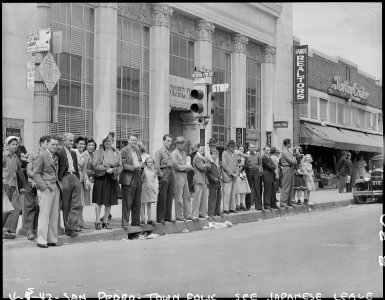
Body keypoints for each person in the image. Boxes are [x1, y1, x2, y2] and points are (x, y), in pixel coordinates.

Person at [32, 136, 63, 248]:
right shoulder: (41, 155)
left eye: (56, 145)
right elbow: (36, 173)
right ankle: (41, 240)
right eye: (52, 144)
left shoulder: (56, 156)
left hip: (55, 187)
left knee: (54, 215)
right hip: (46, 188)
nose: (55, 146)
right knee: (44, 215)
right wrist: (43, 187)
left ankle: (52, 239)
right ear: (47, 144)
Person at [23, 135, 51, 240]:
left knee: (43, 208)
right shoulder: (33, 154)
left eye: (50, 143)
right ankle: (29, 231)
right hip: (32, 184)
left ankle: (41, 231)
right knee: (30, 207)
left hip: (44, 185)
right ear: (41, 143)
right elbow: (29, 170)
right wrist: (37, 179)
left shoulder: (51, 156)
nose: (48, 145)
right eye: (47, 143)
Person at [93, 133, 122, 230]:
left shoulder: (116, 152)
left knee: (109, 201)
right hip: (101, 178)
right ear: (103, 142)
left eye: (109, 141)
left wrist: (113, 170)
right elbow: (95, 165)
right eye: (106, 141)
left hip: (111, 178)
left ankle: (106, 221)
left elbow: (120, 166)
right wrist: (105, 169)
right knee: (99, 200)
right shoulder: (98, 152)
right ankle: (97, 221)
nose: (108, 143)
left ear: (112, 142)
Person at [119, 134, 142, 230]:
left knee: (137, 201)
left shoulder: (137, 151)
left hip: (138, 177)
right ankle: (125, 222)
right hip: (128, 178)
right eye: (132, 140)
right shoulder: (123, 151)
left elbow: (140, 161)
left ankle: (136, 222)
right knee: (127, 202)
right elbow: (123, 165)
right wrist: (134, 167)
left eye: (136, 140)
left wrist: (141, 166)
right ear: (128, 140)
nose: (134, 142)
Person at [3, 136, 22, 239]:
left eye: (16, 144)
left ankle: (10, 230)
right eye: (13, 144)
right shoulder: (3, 155)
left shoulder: (15, 157)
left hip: (14, 186)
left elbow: (20, 168)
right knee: (5, 209)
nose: (15, 146)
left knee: (16, 208)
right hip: (5, 185)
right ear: (7, 145)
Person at [171, 136, 194, 221]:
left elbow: (186, 163)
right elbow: (175, 165)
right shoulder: (174, 153)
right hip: (178, 174)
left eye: (183, 142)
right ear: (176, 144)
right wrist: (185, 168)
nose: (182, 144)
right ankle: (179, 215)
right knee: (179, 196)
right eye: (180, 143)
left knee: (187, 195)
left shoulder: (184, 153)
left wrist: (188, 167)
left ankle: (188, 214)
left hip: (184, 175)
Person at [154, 134, 175, 225]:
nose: (169, 143)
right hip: (164, 172)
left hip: (170, 172)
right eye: (167, 141)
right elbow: (156, 166)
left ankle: (168, 217)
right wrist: (160, 174)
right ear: (163, 141)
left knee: (170, 195)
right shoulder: (159, 151)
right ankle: (160, 217)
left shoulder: (169, 152)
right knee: (162, 196)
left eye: (170, 141)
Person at [73, 136, 89, 230]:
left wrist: (86, 179)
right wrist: (82, 159)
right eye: (80, 144)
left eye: (84, 144)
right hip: (74, 179)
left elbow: (84, 169)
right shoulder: (73, 152)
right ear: (76, 144)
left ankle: (81, 221)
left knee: (81, 203)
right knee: (75, 203)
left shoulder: (85, 155)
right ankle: (76, 222)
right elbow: (77, 166)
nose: (82, 145)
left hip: (81, 180)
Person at [192, 144, 211, 221]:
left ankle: (202, 213)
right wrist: (206, 164)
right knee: (197, 197)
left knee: (204, 197)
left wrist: (206, 165)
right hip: (198, 179)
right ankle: (195, 214)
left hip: (203, 179)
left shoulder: (203, 158)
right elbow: (202, 167)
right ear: (197, 149)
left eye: (203, 148)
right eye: (201, 148)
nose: (202, 150)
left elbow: (209, 167)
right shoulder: (197, 157)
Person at [221, 140, 239, 214]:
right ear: (228, 147)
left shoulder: (235, 154)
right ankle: (226, 209)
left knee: (233, 193)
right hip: (227, 175)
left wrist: (237, 173)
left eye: (234, 146)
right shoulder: (225, 153)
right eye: (231, 146)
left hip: (234, 176)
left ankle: (232, 208)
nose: (233, 148)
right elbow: (224, 165)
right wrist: (231, 173)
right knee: (227, 192)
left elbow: (237, 164)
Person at [244, 143, 263, 211]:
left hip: (256, 172)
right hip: (249, 172)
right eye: (251, 147)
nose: (252, 149)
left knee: (257, 188)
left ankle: (258, 206)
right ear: (248, 147)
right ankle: (247, 206)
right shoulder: (246, 154)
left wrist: (260, 170)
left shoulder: (257, 154)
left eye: (253, 147)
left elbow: (260, 163)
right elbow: (244, 164)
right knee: (248, 189)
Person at [140, 156, 158, 226]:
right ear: (146, 163)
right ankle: (142, 219)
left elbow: (154, 179)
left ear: (153, 163)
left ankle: (149, 219)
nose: (150, 163)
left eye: (151, 162)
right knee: (142, 204)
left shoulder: (154, 171)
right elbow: (142, 179)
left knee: (149, 204)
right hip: (144, 188)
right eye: (148, 162)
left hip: (151, 188)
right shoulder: (144, 170)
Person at [79, 138, 96, 210]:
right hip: (84, 178)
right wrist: (93, 172)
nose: (91, 147)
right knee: (83, 200)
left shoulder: (94, 154)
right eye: (89, 145)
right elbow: (81, 167)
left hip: (91, 178)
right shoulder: (84, 154)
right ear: (86, 146)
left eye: (93, 145)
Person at [279, 138, 297, 207]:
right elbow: (293, 161)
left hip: (290, 168)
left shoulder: (288, 151)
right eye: (290, 143)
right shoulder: (285, 152)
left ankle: (288, 202)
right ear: (287, 144)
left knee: (291, 186)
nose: (291, 144)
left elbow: (294, 160)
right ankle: (283, 202)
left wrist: (294, 159)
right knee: (286, 186)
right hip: (287, 168)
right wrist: (294, 159)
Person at [233, 145, 251, 211]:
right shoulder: (234, 157)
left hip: (243, 175)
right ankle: (236, 204)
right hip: (237, 175)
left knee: (243, 190)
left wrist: (243, 167)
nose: (241, 150)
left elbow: (248, 166)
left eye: (242, 149)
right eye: (240, 149)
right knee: (237, 190)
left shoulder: (245, 158)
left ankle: (241, 203)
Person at [206, 149, 222, 219]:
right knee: (212, 198)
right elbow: (208, 174)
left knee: (218, 198)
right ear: (211, 155)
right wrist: (213, 180)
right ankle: (211, 213)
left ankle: (217, 212)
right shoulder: (210, 163)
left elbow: (219, 172)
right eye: (214, 154)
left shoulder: (217, 163)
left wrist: (219, 179)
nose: (215, 156)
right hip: (212, 183)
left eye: (216, 154)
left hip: (218, 182)